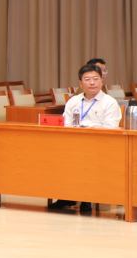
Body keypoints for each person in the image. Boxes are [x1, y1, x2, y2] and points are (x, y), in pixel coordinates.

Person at [49, 63, 121, 214]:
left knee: (85, 158)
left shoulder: (110, 102)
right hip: (74, 143)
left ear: (102, 81)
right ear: (81, 83)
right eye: (87, 79)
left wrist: (87, 128)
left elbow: (110, 128)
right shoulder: (73, 101)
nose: (92, 83)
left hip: (100, 145)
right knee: (57, 156)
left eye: (95, 79)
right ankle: (67, 196)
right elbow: (66, 123)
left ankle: (86, 197)